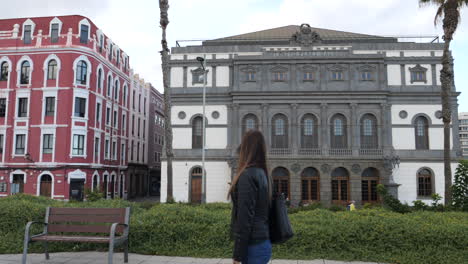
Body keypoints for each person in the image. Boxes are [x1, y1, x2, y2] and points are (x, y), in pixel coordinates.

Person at [229, 130, 272, 264]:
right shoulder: (264, 174)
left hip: (253, 247)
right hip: (263, 242)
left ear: (246, 150)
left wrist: (237, 256)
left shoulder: (247, 175)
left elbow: (244, 220)